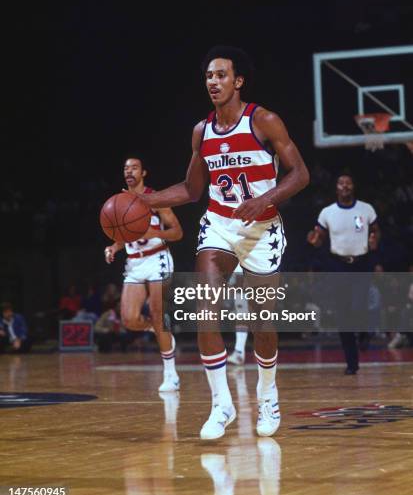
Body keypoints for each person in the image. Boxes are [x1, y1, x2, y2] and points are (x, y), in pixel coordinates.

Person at [135, 45, 309, 439]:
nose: (213, 82)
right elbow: (192, 189)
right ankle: (222, 404)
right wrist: (146, 200)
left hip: (263, 227)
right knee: (205, 307)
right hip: (219, 224)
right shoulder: (203, 131)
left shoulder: (264, 120)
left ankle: (268, 394)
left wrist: (265, 199)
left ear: (238, 81)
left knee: (264, 323)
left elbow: (300, 174)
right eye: (209, 77)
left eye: (221, 75)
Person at [104, 157, 183, 391]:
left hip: (158, 257)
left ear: (144, 172)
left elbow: (178, 232)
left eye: (134, 167)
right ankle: (158, 331)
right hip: (134, 263)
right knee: (128, 319)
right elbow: (123, 234)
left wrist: (152, 232)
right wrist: (114, 247)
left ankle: (171, 375)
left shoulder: (155, 198)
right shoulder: (120, 201)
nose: (129, 171)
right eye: (126, 168)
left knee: (157, 312)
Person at [307, 173, 381, 374]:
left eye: (349, 182)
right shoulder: (327, 212)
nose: (345, 186)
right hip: (338, 264)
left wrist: (374, 239)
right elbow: (318, 236)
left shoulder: (365, 209)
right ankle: (351, 363)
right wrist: (314, 240)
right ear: (336, 188)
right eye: (341, 183)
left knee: (359, 306)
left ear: (353, 186)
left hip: (361, 262)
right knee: (343, 314)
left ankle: (366, 332)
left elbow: (375, 229)